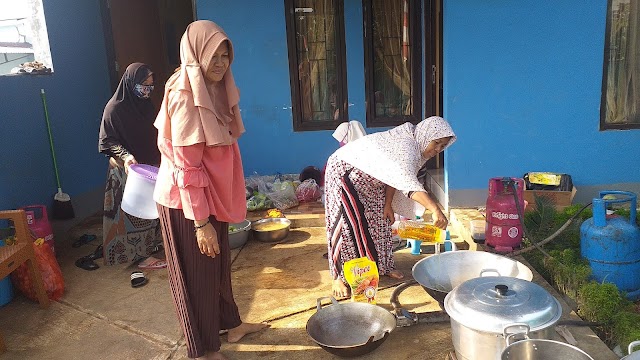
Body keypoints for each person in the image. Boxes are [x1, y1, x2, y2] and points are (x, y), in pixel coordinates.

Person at [153, 20, 268, 360]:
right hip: (186, 202)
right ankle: (203, 350)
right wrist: (200, 224)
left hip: (208, 196)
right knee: (198, 278)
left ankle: (231, 325)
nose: (220, 64)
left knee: (218, 268)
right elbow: (187, 166)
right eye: (212, 56)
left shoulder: (212, 87)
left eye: (225, 55)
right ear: (196, 54)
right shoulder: (186, 94)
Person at [324, 116, 456, 298]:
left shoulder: (417, 147)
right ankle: (338, 276)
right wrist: (435, 209)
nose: (438, 149)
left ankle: (383, 266)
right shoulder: (407, 145)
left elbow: (395, 173)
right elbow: (407, 182)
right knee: (346, 224)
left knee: (381, 220)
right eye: (437, 143)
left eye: (443, 146)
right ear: (427, 135)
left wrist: (388, 204)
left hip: (374, 179)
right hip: (345, 172)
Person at [97, 63, 166, 268]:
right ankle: (140, 258)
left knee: (152, 211)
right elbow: (107, 141)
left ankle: (150, 248)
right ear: (130, 83)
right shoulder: (114, 108)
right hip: (128, 171)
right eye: (143, 85)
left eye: (150, 85)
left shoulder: (147, 105)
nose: (147, 90)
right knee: (132, 215)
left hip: (150, 169)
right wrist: (126, 156)